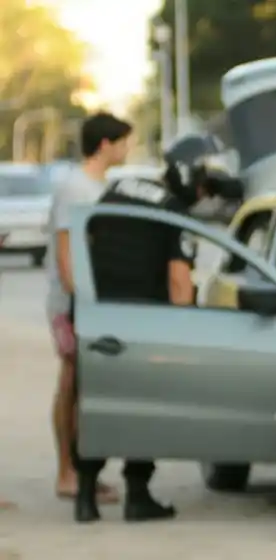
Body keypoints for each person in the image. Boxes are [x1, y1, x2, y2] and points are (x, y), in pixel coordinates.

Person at [73, 134, 244, 523]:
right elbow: (180, 286)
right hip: (143, 323)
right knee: (138, 412)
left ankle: (85, 498)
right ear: (188, 176)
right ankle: (137, 496)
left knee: (95, 408)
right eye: (203, 186)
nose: (203, 195)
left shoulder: (118, 190)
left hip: (96, 317)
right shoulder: (173, 213)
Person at [46, 112, 131, 504]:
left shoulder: (99, 186)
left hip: (94, 299)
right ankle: (65, 472)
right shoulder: (75, 187)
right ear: (105, 144)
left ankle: (82, 472)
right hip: (73, 303)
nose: (127, 149)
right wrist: (78, 299)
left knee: (87, 386)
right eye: (123, 142)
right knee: (72, 384)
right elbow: (66, 250)